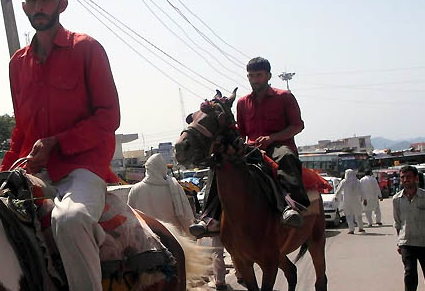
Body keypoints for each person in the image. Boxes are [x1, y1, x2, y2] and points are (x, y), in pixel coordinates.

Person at [0, 0, 120, 291]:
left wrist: (57, 144)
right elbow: (21, 131)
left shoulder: (88, 49)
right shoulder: (18, 63)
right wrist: (3, 174)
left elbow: (109, 118)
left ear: (62, 4)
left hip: (83, 167)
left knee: (67, 222)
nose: (37, 6)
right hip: (35, 168)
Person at [190, 57, 308, 237]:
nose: (254, 79)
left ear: (268, 75)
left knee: (286, 156)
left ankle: (293, 207)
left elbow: (297, 126)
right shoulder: (242, 102)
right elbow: (241, 132)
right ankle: (208, 216)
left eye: (258, 75)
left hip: (278, 146)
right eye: (251, 76)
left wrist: (272, 138)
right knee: (219, 163)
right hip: (251, 149)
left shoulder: (284, 97)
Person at [127, 154, 194, 236]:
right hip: (174, 239)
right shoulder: (173, 187)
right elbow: (185, 216)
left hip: (149, 240)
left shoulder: (136, 189)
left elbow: (130, 218)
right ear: (163, 168)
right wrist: (191, 235)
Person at [392, 165, 425, 291]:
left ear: (416, 178)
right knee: (410, 276)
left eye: (408, 177)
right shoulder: (396, 199)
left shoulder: (424, 196)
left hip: (424, 242)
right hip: (407, 242)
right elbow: (398, 222)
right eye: (403, 177)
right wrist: (400, 242)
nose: (405, 180)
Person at [335, 169, 365, 234]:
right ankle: (361, 228)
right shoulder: (357, 181)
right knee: (358, 215)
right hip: (356, 201)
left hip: (347, 201)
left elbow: (338, 190)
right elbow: (361, 191)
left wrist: (336, 197)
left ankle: (351, 230)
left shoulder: (344, 181)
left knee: (348, 215)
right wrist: (364, 199)